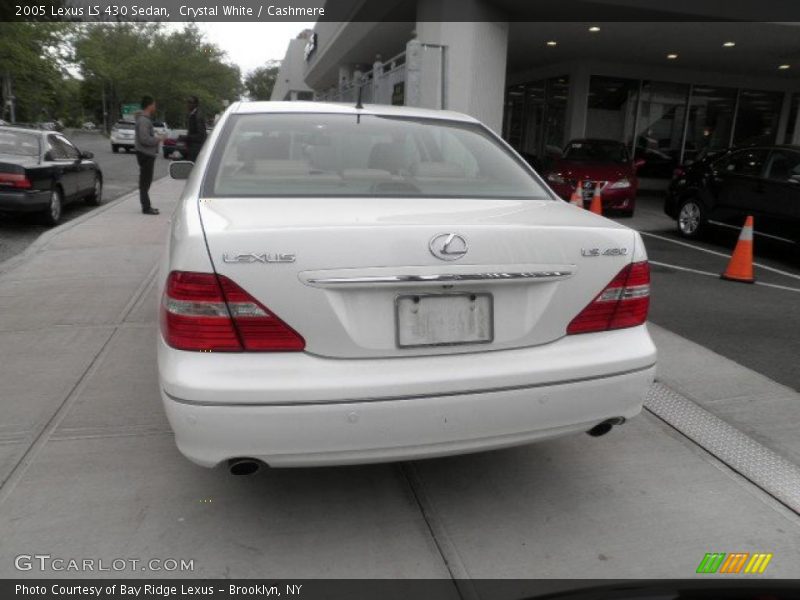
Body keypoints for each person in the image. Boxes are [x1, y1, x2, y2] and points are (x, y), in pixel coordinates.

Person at [134, 95, 164, 215]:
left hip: (146, 154)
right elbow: (144, 139)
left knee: (146, 181)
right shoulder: (144, 121)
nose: (155, 107)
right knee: (145, 182)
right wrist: (158, 139)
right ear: (150, 105)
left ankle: (147, 206)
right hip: (145, 154)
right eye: (154, 104)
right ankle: (146, 207)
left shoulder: (144, 120)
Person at [184, 95, 207, 162]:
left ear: (196, 104)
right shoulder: (192, 115)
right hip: (192, 148)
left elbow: (200, 135)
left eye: (190, 102)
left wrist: (186, 138)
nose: (188, 104)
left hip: (196, 149)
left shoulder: (197, 116)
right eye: (187, 102)